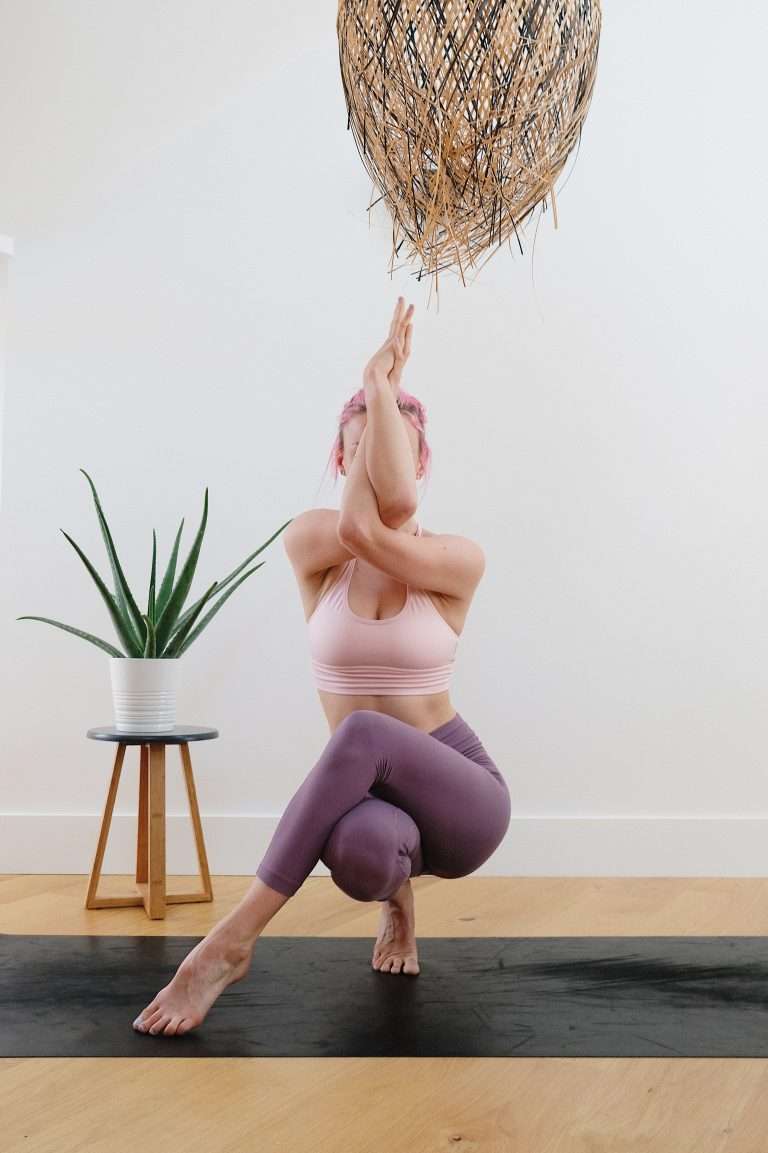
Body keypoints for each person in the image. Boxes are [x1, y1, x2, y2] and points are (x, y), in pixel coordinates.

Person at [132, 297, 511, 1036]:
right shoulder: (312, 544)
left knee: (364, 729)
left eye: (392, 447)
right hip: (374, 805)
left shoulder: (454, 560)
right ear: (341, 462)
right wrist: (377, 401)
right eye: (360, 450)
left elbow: (383, 514)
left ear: (419, 459)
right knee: (362, 853)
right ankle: (395, 900)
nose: (376, 461)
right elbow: (353, 526)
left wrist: (378, 389)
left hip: (463, 799)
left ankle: (228, 943)